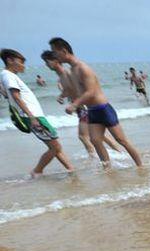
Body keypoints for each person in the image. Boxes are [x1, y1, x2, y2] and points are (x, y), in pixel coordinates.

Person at [48, 37, 142, 168]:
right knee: (95, 140)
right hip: (92, 110)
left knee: (121, 140)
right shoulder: (72, 70)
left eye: (55, 52)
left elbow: (91, 91)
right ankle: (107, 169)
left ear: (64, 51)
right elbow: (75, 89)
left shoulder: (82, 68)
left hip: (103, 108)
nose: (54, 55)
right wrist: (64, 96)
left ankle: (141, 166)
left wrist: (75, 104)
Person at [1, 48, 74, 177]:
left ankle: (70, 169)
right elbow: (16, 97)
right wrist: (32, 117)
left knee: (54, 146)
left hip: (34, 116)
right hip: (33, 116)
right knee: (55, 146)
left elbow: (8, 96)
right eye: (21, 62)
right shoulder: (8, 76)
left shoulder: (7, 76)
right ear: (10, 60)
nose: (23, 65)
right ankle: (37, 171)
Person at [41, 50, 121, 158]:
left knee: (83, 136)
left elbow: (80, 89)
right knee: (101, 136)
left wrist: (78, 104)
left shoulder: (67, 73)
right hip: (80, 108)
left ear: (56, 61)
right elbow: (69, 89)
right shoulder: (61, 77)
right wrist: (61, 96)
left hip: (84, 107)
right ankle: (119, 153)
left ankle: (94, 158)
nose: (46, 65)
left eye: (47, 62)